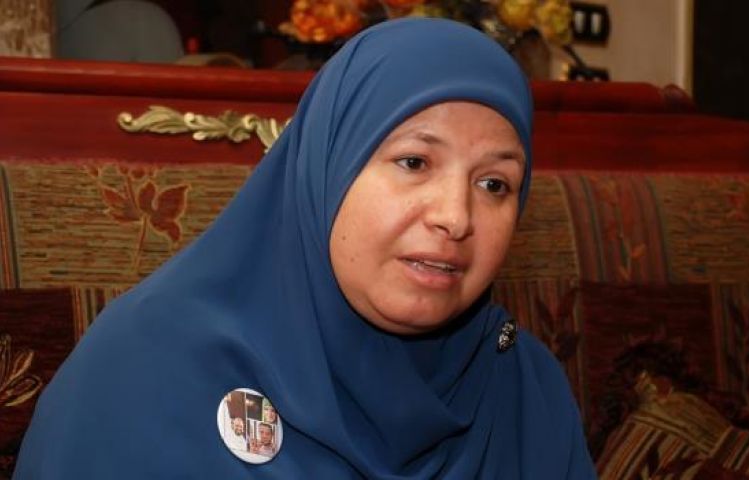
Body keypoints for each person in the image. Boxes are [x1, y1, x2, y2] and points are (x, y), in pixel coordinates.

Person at [14, 18, 595, 478]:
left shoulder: (523, 389)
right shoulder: (145, 373)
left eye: (494, 184)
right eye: (414, 162)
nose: (456, 217)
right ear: (327, 167)